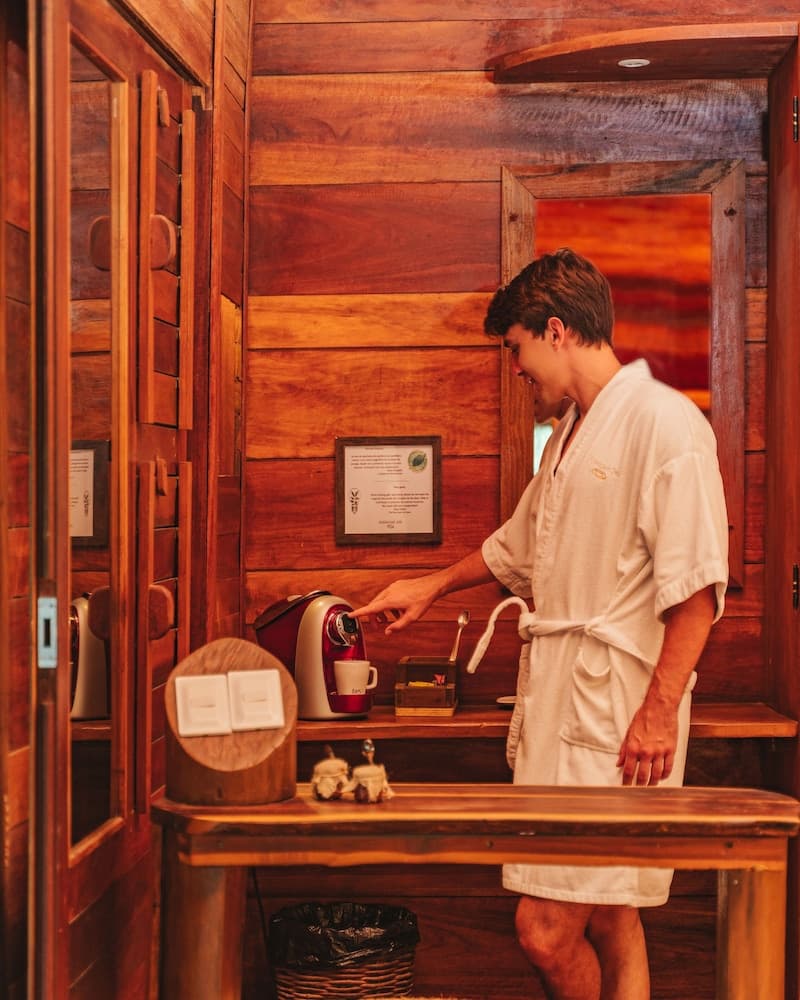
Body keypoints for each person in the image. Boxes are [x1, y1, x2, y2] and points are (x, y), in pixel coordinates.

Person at [351, 248, 729, 1000]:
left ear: (556, 330)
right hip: (570, 710)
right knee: (613, 915)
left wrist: (658, 712)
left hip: (618, 721)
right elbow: (518, 547)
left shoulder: (665, 425)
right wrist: (431, 586)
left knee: (546, 929)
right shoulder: (567, 438)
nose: (517, 368)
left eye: (517, 348)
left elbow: (697, 590)